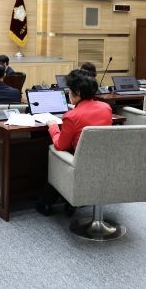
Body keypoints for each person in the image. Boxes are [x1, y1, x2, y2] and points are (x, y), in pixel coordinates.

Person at [36, 69, 112, 215]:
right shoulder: (106, 108)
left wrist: (53, 126)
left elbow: (60, 145)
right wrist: (76, 107)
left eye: (69, 91)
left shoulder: (71, 116)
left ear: (77, 92)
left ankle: (46, 202)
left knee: (54, 151)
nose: (68, 94)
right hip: (104, 161)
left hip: (79, 164)